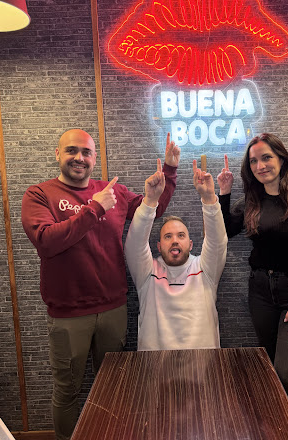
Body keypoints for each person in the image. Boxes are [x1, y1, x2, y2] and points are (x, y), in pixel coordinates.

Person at [21, 129, 180, 440]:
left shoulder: (113, 192)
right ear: (58, 154)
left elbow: (154, 209)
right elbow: (46, 241)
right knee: (68, 390)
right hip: (68, 315)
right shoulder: (39, 194)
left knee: (114, 386)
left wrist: (169, 173)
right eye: (71, 150)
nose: (79, 158)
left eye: (86, 152)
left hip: (113, 309)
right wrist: (94, 209)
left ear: (94, 158)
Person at [217, 133, 288, 419]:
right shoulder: (253, 198)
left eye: (266, 157)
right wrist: (224, 193)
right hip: (261, 292)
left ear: (282, 159)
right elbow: (226, 231)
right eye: (254, 161)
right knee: (270, 371)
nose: (260, 166)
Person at [124, 159, 228, 351]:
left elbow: (217, 241)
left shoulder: (205, 269)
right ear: (158, 245)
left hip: (203, 363)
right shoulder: (147, 272)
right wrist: (150, 201)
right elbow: (134, 243)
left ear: (190, 244)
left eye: (181, 236)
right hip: (155, 363)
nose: (174, 241)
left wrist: (209, 199)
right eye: (168, 236)